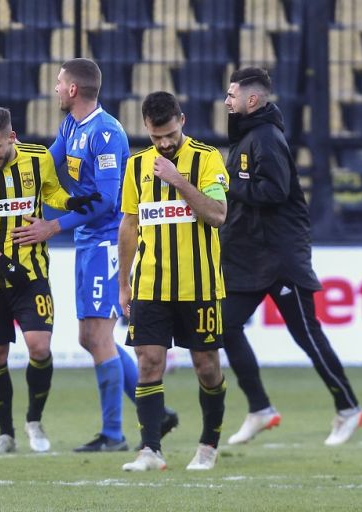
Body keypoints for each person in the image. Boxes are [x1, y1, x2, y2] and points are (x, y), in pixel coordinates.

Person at [12, 58, 178, 452]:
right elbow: (48, 163)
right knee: (90, 337)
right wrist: (15, 154)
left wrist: (53, 226)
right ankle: (157, 412)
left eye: (59, 82)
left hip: (106, 241)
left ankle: (114, 435)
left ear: (73, 89)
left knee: (100, 337)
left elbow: (105, 201)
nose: (55, 88)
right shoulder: (71, 126)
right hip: (87, 239)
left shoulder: (106, 133)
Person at [221, 67, 362, 446]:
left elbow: (274, 192)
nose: (227, 101)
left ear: (252, 100)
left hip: (279, 258)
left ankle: (349, 408)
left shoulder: (266, 138)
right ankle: (260, 408)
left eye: (232, 95)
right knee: (224, 326)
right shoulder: (248, 136)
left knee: (306, 335)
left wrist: (228, 185)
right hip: (251, 258)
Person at [0, 105, 100, 456]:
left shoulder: (38, 158)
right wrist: (0, 260)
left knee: (39, 347)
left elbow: (50, 193)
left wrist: (71, 201)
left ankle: (34, 419)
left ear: (11, 137)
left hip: (32, 273)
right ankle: (5, 434)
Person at [118, 91, 229, 471]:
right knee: (149, 362)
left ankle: (208, 445)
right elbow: (129, 224)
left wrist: (178, 180)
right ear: (146, 129)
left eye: (169, 134)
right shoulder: (136, 166)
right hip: (150, 285)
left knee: (207, 367)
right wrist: (123, 284)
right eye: (156, 136)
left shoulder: (207, 158)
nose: (164, 143)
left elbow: (217, 215)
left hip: (199, 286)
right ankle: (150, 450)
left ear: (182, 121)